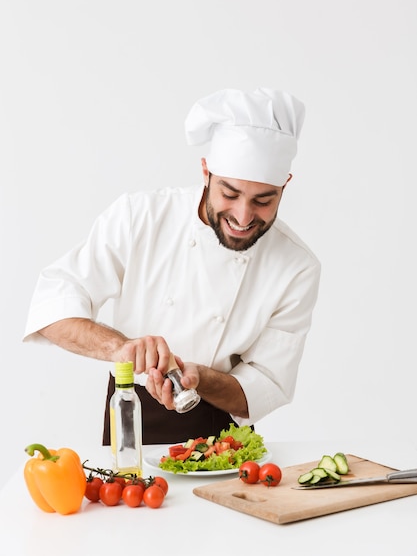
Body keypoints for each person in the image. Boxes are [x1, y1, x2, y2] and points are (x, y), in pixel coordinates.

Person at [23, 87, 321, 445]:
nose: (243, 216)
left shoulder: (296, 266)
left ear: (285, 187)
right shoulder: (141, 217)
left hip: (220, 429)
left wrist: (198, 377)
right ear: (206, 171)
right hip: (130, 413)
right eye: (229, 193)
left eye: (263, 200)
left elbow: (265, 387)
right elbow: (53, 305)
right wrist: (120, 348)